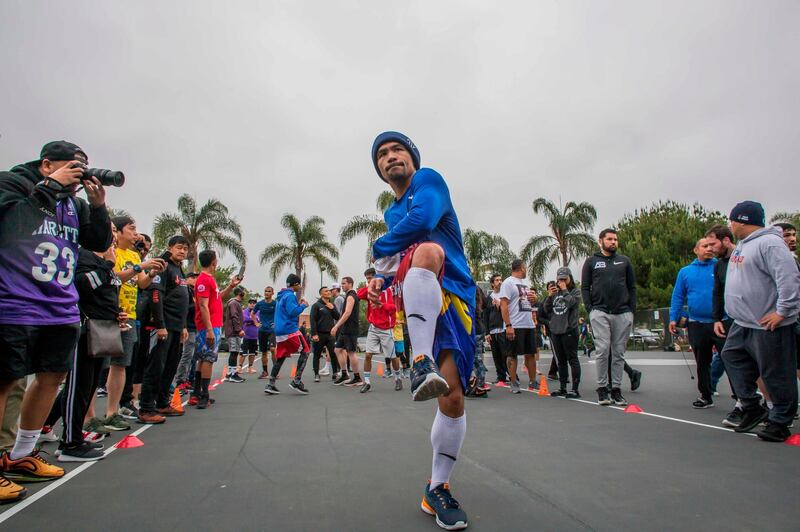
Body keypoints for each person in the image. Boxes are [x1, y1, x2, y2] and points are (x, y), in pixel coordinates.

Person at [368, 132, 474, 530]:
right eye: (382, 155)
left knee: (454, 399)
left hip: (456, 293)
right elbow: (397, 257)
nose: (391, 157)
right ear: (378, 169)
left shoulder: (429, 180)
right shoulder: (391, 213)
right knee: (425, 253)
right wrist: (380, 276)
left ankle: (437, 487)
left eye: (397, 150)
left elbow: (425, 220)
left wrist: (380, 248)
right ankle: (419, 360)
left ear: (412, 158)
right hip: (422, 298)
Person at [0, 140, 113, 497]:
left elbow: (96, 240)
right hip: (15, 300)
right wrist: (48, 188)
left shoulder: (74, 204)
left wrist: (98, 206)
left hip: (59, 305)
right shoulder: (14, 184)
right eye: (74, 168)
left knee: (52, 376)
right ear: (47, 164)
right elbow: (14, 222)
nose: (79, 178)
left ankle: (22, 454)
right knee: (5, 380)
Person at [721, 202, 800, 442]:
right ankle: (752, 405)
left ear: (741, 221)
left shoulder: (771, 244)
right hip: (743, 321)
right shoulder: (743, 245)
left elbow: (788, 279)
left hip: (768, 323)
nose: (731, 224)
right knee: (731, 356)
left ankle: (780, 421)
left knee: (776, 372)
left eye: (732, 220)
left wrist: (783, 311)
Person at [44, 235, 126, 461]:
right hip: (85, 328)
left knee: (89, 386)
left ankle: (75, 435)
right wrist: (108, 265)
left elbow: (105, 293)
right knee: (77, 386)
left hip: (104, 328)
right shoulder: (83, 255)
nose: (113, 235)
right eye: (108, 230)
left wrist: (116, 313)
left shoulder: (104, 259)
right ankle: (69, 442)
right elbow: (83, 285)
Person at [107, 216, 165, 427]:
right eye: (132, 229)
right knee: (103, 364)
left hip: (130, 315)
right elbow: (113, 278)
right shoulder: (111, 252)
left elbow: (140, 283)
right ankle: (90, 417)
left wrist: (151, 273)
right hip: (111, 315)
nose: (136, 234)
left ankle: (114, 411)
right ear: (118, 232)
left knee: (122, 365)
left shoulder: (133, 255)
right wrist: (140, 267)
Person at [137, 235, 191, 423]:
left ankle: (161, 402)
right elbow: (155, 295)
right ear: (170, 248)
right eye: (179, 247)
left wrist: (183, 325)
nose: (182, 251)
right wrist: (160, 325)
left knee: (170, 367)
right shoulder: (163, 265)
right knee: (155, 366)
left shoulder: (179, 269)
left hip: (177, 327)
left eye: (185, 248)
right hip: (162, 327)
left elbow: (181, 299)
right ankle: (146, 408)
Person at [581, 228, 636, 406]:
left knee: (618, 353)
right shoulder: (591, 262)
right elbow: (585, 287)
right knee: (603, 350)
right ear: (601, 241)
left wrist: (631, 310)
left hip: (622, 312)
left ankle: (616, 390)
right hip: (600, 312)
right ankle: (602, 388)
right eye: (610, 239)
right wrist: (590, 309)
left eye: (615, 239)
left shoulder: (624, 261)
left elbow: (632, 287)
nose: (613, 242)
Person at [668, 237, 724, 409]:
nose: (708, 248)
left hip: (722, 322)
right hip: (697, 324)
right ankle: (706, 395)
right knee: (702, 362)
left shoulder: (721, 267)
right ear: (696, 250)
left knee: (731, 360)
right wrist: (673, 317)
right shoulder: (685, 272)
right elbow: (678, 296)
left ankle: (742, 399)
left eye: (711, 246)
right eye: (704, 246)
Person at [190, 250, 241, 409]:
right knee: (208, 359)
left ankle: (196, 393)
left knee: (202, 359)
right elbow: (203, 305)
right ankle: (204, 395)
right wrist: (210, 329)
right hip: (208, 326)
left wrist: (231, 286)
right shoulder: (204, 280)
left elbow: (219, 298)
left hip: (213, 324)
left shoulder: (210, 280)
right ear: (214, 262)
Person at [264, 274, 311, 395]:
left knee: (281, 356)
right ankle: (296, 381)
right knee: (305, 351)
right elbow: (292, 312)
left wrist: (297, 305)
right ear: (295, 284)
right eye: (299, 284)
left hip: (280, 330)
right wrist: (303, 305)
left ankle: (271, 384)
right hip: (289, 329)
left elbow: (285, 311)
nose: (299, 286)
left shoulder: (281, 296)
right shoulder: (290, 295)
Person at [499, 260, 539, 394]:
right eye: (525, 267)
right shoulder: (508, 282)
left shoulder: (525, 284)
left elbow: (529, 301)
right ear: (522, 267)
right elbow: (503, 305)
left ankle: (533, 382)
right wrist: (508, 325)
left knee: (531, 354)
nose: (526, 269)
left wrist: (535, 298)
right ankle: (514, 383)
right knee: (512, 354)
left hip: (528, 324)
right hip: (515, 324)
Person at [358, 268, 401, 392]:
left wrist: (381, 305)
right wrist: (370, 287)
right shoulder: (370, 291)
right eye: (367, 279)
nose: (368, 281)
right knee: (367, 355)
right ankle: (366, 382)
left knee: (392, 357)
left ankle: (398, 378)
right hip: (373, 328)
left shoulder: (388, 291)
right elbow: (359, 294)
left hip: (386, 329)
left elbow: (394, 308)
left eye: (370, 278)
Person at [544, 267, 582, 398]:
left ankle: (575, 389)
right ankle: (562, 387)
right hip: (556, 330)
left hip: (569, 330)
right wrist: (549, 296)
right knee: (560, 361)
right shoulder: (555, 293)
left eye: (564, 279)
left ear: (570, 278)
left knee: (572, 359)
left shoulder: (575, 292)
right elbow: (547, 309)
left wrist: (565, 290)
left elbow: (572, 303)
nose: (561, 282)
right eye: (559, 279)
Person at [331, 276, 362, 386]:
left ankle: (357, 378)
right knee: (337, 350)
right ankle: (344, 374)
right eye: (342, 283)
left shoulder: (351, 296)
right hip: (345, 329)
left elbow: (347, 313)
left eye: (344, 283)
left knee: (351, 352)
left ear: (350, 283)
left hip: (350, 328)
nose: (342, 285)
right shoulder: (347, 295)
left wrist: (336, 326)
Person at [174, 272, 199, 389]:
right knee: (187, 355)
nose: (195, 280)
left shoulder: (195, 293)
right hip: (188, 327)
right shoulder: (185, 292)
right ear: (186, 279)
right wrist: (183, 327)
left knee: (194, 356)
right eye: (192, 277)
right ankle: (180, 380)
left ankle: (190, 379)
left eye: (196, 278)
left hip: (196, 327)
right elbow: (183, 309)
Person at [309, 287, 340, 382]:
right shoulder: (316, 306)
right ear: (321, 294)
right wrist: (314, 334)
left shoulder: (331, 304)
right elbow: (312, 320)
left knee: (333, 354)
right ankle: (316, 374)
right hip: (319, 334)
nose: (329, 292)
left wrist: (332, 309)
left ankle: (335, 373)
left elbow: (338, 316)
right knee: (317, 355)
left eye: (329, 291)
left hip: (330, 335)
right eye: (326, 291)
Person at [484, 274, 509, 384]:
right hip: (493, 330)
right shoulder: (489, 298)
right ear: (492, 284)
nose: (500, 282)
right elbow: (485, 316)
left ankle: (513, 375)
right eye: (497, 280)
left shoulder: (505, 296)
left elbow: (509, 311)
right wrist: (487, 332)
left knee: (506, 354)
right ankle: (501, 376)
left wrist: (500, 305)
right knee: (496, 356)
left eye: (500, 279)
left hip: (504, 329)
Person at [223, 287, 246, 383]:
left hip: (234, 332)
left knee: (235, 351)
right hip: (233, 332)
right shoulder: (233, 303)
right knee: (234, 352)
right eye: (243, 291)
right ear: (240, 293)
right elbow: (234, 316)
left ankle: (230, 373)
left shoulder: (236, 303)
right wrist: (239, 329)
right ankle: (232, 374)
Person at [253, 287, 277, 379]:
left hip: (271, 330)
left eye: (269, 291)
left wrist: (276, 323)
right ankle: (265, 372)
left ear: (272, 293)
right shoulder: (260, 304)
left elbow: (280, 313)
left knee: (272, 349)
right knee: (264, 352)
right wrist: (256, 323)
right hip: (262, 330)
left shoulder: (275, 304)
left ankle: (275, 372)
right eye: (266, 291)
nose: (267, 293)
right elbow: (252, 314)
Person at [242, 298, 260, 373]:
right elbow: (245, 319)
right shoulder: (244, 311)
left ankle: (250, 367)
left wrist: (252, 320)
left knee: (252, 353)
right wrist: (253, 320)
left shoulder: (258, 312)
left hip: (255, 336)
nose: (252, 304)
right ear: (248, 304)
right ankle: (239, 367)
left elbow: (259, 320)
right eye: (250, 303)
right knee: (243, 353)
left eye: (254, 303)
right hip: (245, 335)